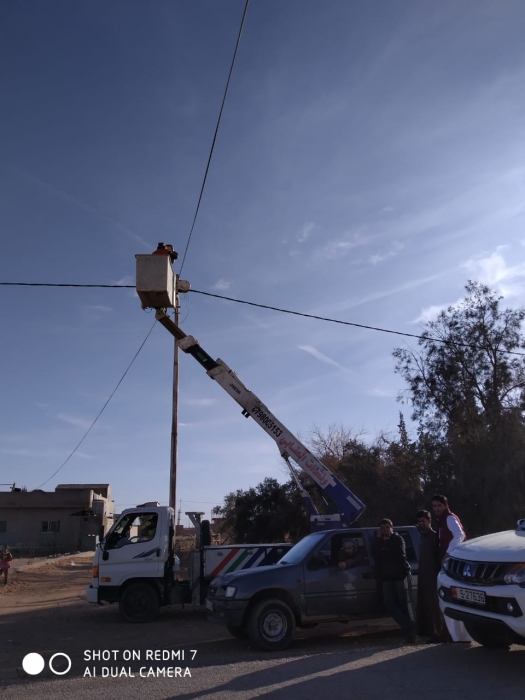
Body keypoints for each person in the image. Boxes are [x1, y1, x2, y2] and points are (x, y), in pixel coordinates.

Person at [431, 494, 472, 643]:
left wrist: (448, 553)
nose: (437, 508)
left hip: (454, 562)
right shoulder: (442, 521)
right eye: (434, 506)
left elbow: (460, 535)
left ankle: (461, 636)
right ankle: (456, 636)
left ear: (446, 506)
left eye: (439, 505)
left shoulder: (449, 518)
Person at [372, 519, 416, 643]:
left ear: (392, 528)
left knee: (405, 605)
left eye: (387, 527)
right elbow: (375, 556)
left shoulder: (398, 539)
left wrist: (386, 547)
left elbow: (399, 555)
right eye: (383, 528)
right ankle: (410, 628)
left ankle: (413, 633)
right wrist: (379, 540)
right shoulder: (379, 542)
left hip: (401, 575)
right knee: (389, 605)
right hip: (387, 578)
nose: (385, 530)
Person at [415, 510, 448, 643]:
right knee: (426, 606)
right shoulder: (422, 537)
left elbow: (438, 558)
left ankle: (439, 635)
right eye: (419, 521)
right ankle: (431, 634)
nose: (421, 524)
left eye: (423, 521)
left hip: (433, 578)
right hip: (424, 577)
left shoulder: (435, 537)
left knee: (434, 607)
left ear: (429, 521)